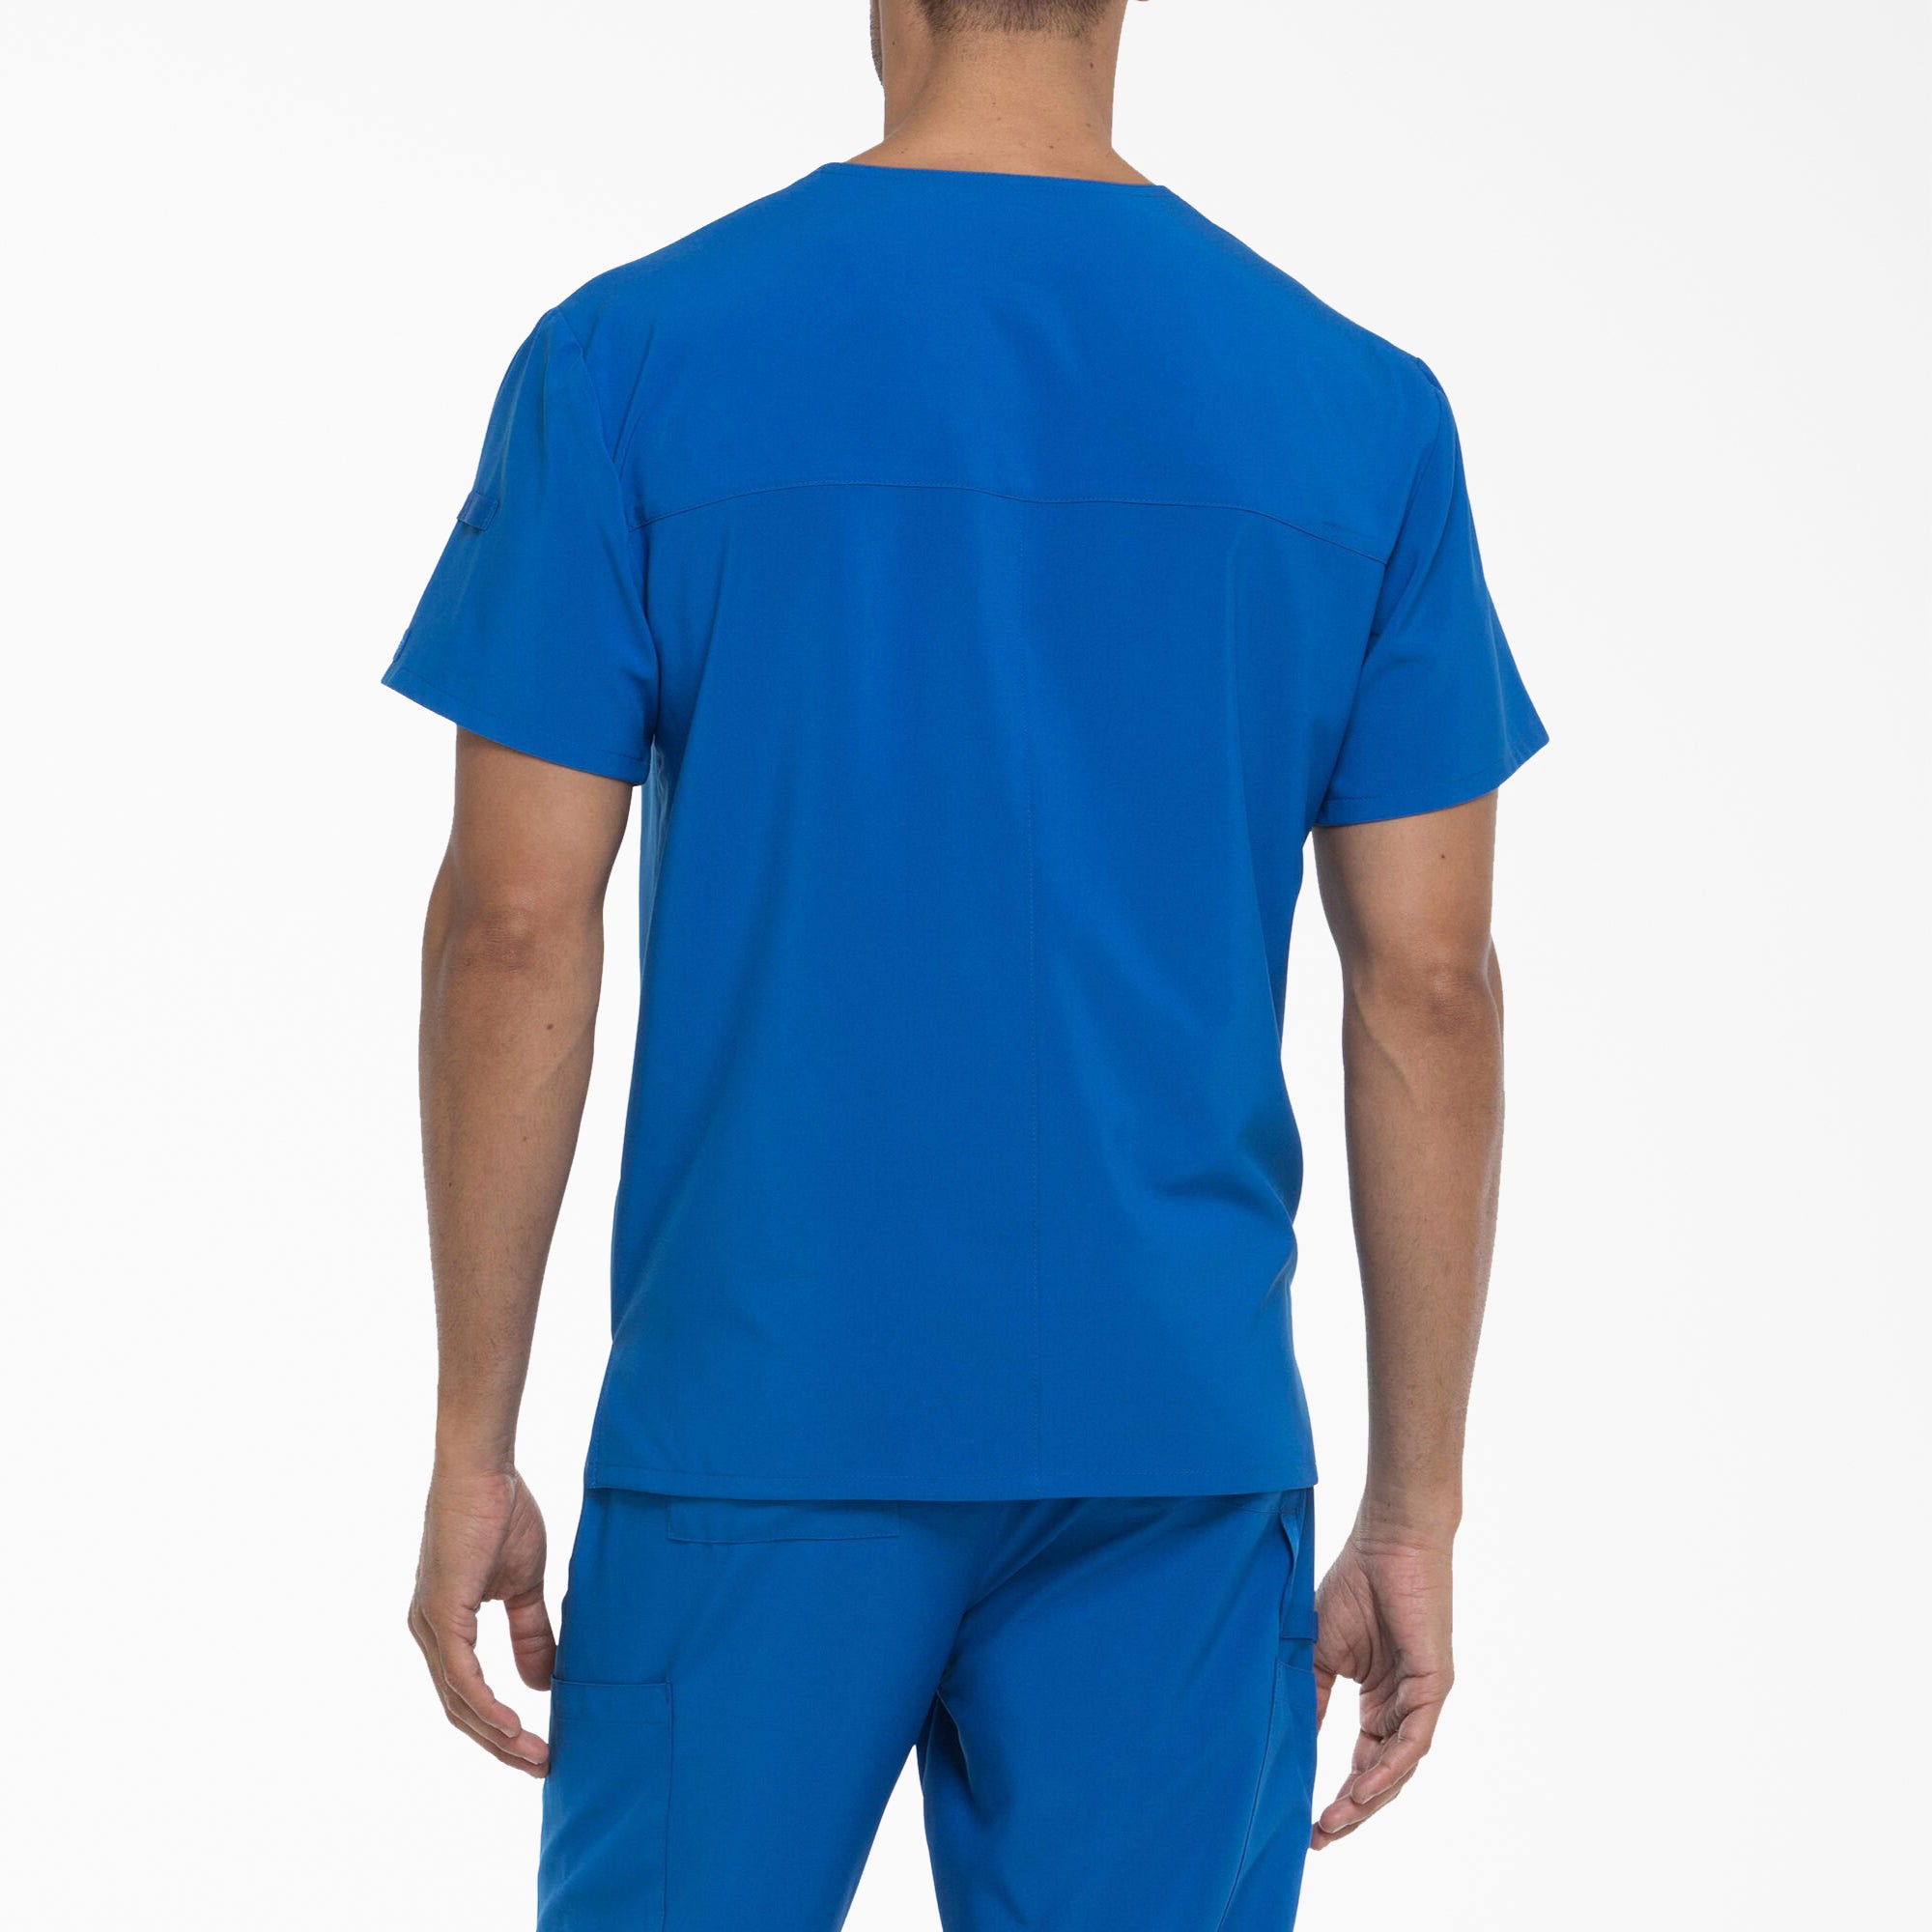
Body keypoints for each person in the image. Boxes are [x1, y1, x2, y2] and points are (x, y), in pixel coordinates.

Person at [388, 1, 1546, 1924]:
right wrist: (1413, 1505)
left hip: (760, 1410)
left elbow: (512, 926)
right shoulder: (1356, 407)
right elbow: (1429, 982)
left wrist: (469, 1441)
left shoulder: (629, 358)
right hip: (1174, 1437)